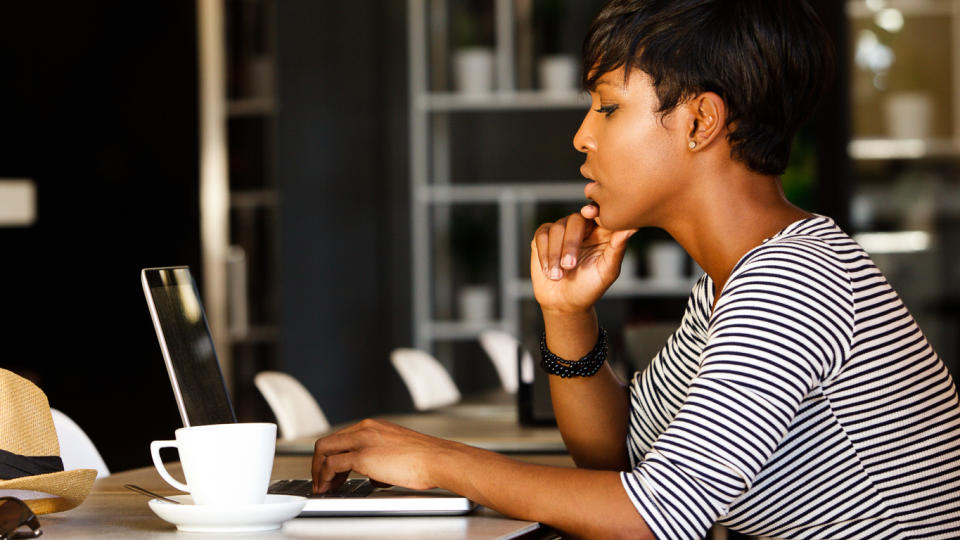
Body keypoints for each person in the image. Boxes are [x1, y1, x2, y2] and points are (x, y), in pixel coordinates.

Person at [311, 0, 960, 537]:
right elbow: (618, 455)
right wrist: (568, 315)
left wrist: (435, 459)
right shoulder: (737, 278)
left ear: (700, 121)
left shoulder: (790, 281)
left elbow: (655, 517)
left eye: (609, 106)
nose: (582, 136)